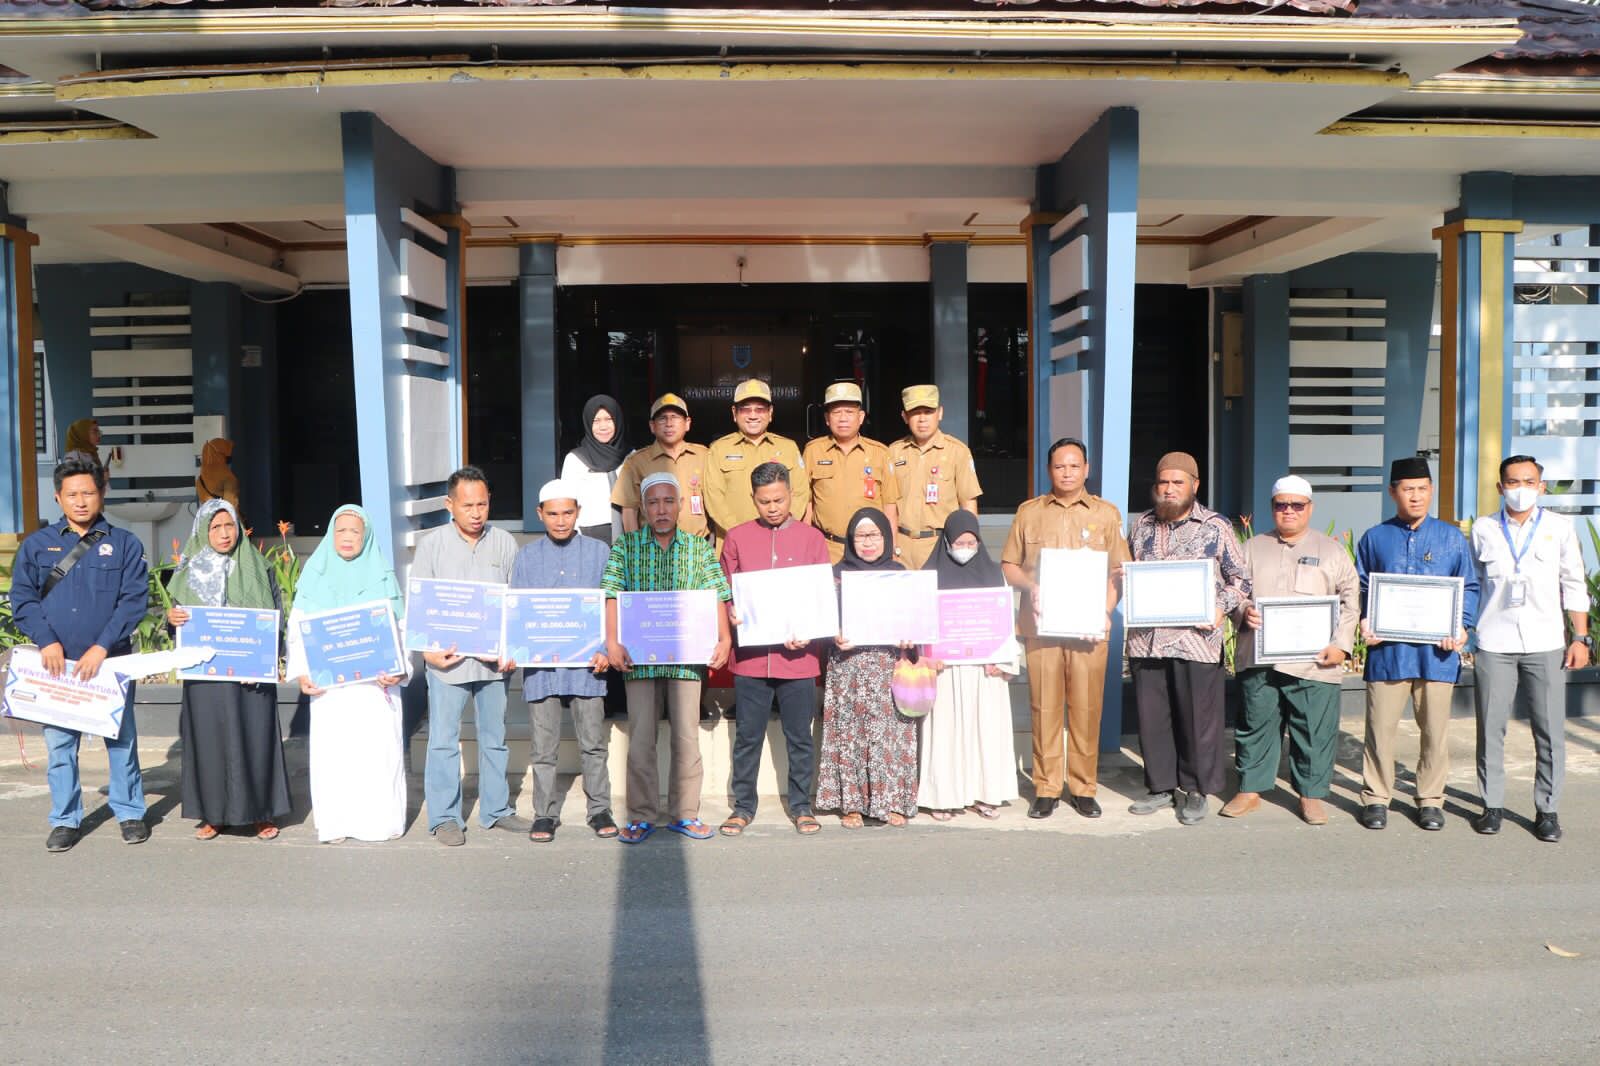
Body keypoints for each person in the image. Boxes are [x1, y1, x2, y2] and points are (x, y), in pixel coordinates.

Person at [9, 456, 150, 852]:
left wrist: (102, 646)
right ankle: (66, 819)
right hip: (57, 665)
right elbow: (22, 598)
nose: (81, 501)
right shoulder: (38, 545)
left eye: (89, 492)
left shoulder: (124, 544)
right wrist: (46, 640)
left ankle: (130, 812)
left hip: (110, 662)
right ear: (58, 497)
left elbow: (133, 601)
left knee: (120, 740)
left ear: (102, 493)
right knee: (59, 746)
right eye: (72, 494)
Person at [1000, 437, 1129, 820]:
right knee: (1044, 707)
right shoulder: (1029, 512)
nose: (1067, 472)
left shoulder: (1106, 514)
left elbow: (1119, 571)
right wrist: (1031, 586)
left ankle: (1083, 787)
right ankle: (1047, 787)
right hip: (1042, 625)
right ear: (1049, 470)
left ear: (1086, 469)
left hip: (1089, 629)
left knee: (1087, 709)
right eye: (1060, 466)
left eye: (1075, 466)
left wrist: (1104, 611)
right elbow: (1009, 565)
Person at [603, 472, 733, 844]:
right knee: (641, 738)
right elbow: (611, 594)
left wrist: (724, 638)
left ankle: (684, 813)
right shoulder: (626, 547)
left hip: (685, 660)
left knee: (686, 738)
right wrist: (613, 642)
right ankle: (642, 815)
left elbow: (717, 595)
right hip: (639, 660)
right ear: (643, 508)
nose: (661, 510)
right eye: (654, 503)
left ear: (679, 506)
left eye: (668, 502)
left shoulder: (698, 548)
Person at [1222, 476, 1359, 826]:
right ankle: (1250, 790)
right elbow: (1233, 591)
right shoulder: (1251, 548)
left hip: (1316, 661)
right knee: (1255, 723)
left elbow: (1350, 601)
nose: (1289, 511)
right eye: (1281, 505)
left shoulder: (1331, 550)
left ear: (1309, 508)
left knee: (1314, 729)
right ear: (1272, 508)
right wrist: (1242, 611)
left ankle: (1311, 796)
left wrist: (1342, 645)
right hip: (1260, 656)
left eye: (1297, 505)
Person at [1126, 452, 1251, 825]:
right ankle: (1162, 787)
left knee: (1198, 719)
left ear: (1194, 486)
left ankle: (1197, 790)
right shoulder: (1140, 526)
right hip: (1147, 640)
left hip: (1196, 640)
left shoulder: (1216, 526)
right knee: (1153, 718)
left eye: (1177, 483)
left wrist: (1221, 607)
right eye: (1163, 482)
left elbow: (1240, 578)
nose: (1168, 489)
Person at [1468, 455, 1589, 842]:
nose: (1521, 488)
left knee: (1550, 729)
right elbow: (1472, 584)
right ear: (1500, 487)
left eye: (1529, 481)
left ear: (1541, 486)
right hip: (1494, 641)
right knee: (1490, 727)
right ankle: (1492, 805)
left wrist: (1580, 638)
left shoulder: (1559, 528)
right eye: (1512, 481)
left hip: (1546, 641)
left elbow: (1574, 583)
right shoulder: (1484, 529)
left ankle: (1548, 810)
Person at [1355, 456, 1479, 831]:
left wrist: (1462, 626)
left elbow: (1469, 586)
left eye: (1422, 489)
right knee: (1379, 728)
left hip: (1437, 653)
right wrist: (1365, 619)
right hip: (1388, 652)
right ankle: (1376, 797)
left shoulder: (1451, 538)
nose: (1416, 496)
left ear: (1431, 491)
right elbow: (1362, 587)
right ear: (1393, 492)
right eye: (1407, 489)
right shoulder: (1375, 538)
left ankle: (1430, 799)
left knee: (1435, 732)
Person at [413, 465, 527, 846]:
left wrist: (512, 648)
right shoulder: (432, 545)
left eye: (482, 504)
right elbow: (421, 606)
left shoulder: (505, 543)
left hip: (494, 664)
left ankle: (497, 810)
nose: (476, 513)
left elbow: (514, 604)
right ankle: (445, 816)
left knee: (495, 737)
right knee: (443, 740)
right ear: (450, 505)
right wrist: (428, 653)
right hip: (447, 664)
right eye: (467, 505)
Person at [166, 499, 291, 841]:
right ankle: (213, 813)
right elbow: (176, 621)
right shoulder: (188, 571)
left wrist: (269, 655)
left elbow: (276, 619)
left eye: (230, 525)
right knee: (210, 740)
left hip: (250, 676)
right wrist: (172, 620)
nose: (224, 534)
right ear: (203, 531)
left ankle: (260, 813)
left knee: (255, 737)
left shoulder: (258, 567)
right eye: (216, 527)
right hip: (206, 675)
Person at [719, 461, 830, 837]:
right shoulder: (736, 538)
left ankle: (801, 805)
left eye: (779, 499)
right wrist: (731, 610)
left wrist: (810, 631)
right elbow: (725, 592)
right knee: (747, 737)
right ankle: (743, 806)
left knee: (800, 736)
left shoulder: (812, 539)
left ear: (791, 495)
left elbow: (820, 598)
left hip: (797, 659)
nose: (772, 507)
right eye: (764, 501)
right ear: (753, 499)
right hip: (751, 659)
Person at [287, 505, 409, 844]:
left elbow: (400, 631)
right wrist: (301, 673)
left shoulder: (383, 576)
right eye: (340, 531)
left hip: (373, 688)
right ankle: (336, 823)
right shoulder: (316, 573)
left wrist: (400, 669)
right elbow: (296, 630)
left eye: (355, 532)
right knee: (335, 757)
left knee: (376, 756)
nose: (347, 538)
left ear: (366, 536)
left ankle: (378, 823)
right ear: (331, 535)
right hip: (332, 691)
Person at [511, 479, 619, 843]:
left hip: (589, 664)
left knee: (593, 742)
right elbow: (520, 612)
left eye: (568, 513)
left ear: (579, 513)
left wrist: (606, 647)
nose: (561, 521)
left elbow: (609, 604)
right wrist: (519, 648)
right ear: (540, 514)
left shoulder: (599, 551)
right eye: (553, 514)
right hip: (542, 667)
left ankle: (599, 808)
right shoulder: (526, 556)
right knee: (543, 747)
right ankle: (544, 814)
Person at [815, 507, 920, 828]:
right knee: (849, 735)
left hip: (889, 668)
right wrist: (833, 634)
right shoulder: (835, 575)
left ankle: (890, 802)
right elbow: (821, 620)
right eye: (860, 536)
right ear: (850, 540)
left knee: (890, 736)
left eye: (874, 535)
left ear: (886, 538)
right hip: (848, 670)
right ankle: (852, 805)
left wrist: (909, 638)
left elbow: (916, 621)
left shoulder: (900, 574)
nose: (867, 542)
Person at [918, 510, 1021, 820]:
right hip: (945, 672)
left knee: (985, 734)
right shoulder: (928, 575)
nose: (965, 547)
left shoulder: (993, 573)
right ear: (946, 541)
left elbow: (1005, 622)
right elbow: (918, 623)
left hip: (984, 672)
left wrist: (1004, 659)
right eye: (959, 541)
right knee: (945, 735)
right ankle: (943, 797)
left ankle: (984, 795)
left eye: (971, 541)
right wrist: (926, 655)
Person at [802, 381, 900, 565]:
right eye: (836, 412)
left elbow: (889, 506)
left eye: (849, 412)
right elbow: (807, 503)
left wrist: (891, 550)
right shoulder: (813, 451)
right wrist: (807, 546)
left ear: (861, 417)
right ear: (827, 418)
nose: (843, 418)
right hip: (827, 547)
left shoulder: (880, 453)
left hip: (869, 548)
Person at [887, 384, 983, 570]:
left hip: (941, 545)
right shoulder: (893, 452)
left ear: (940, 413)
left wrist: (967, 546)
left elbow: (968, 506)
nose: (922, 419)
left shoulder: (958, 451)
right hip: (902, 546)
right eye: (915, 412)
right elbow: (889, 506)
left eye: (928, 411)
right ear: (905, 417)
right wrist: (890, 547)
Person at [704, 379, 811, 544]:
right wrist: (742, 534)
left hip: (781, 541)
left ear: (770, 413)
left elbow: (800, 492)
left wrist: (782, 526)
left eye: (760, 409)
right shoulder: (718, 450)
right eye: (745, 409)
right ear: (734, 413)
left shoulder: (788, 448)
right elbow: (714, 499)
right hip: (734, 542)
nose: (753, 415)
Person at [612, 393, 712, 540]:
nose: (669, 424)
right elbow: (629, 511)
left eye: (675, 417)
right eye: (662, 418)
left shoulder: (704, 456)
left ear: (687, 423)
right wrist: (637, 549)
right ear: (652, 426)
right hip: (653, 548)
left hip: (697, 547)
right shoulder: (636, 462)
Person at [561, 394, 628, 546]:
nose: (603, 426)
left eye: (609, 419)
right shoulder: (575, 460)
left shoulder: (632, 457)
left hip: (628, 535)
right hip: (587, 537)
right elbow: (567, 503)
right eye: (596, 421)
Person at [196, 437, 241, 512]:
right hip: (226, 520)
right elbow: (231, 508)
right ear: (220, 455)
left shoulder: (199, 481)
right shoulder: (227, 478)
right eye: (226, 456)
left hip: (213, 520)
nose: (228, 458)